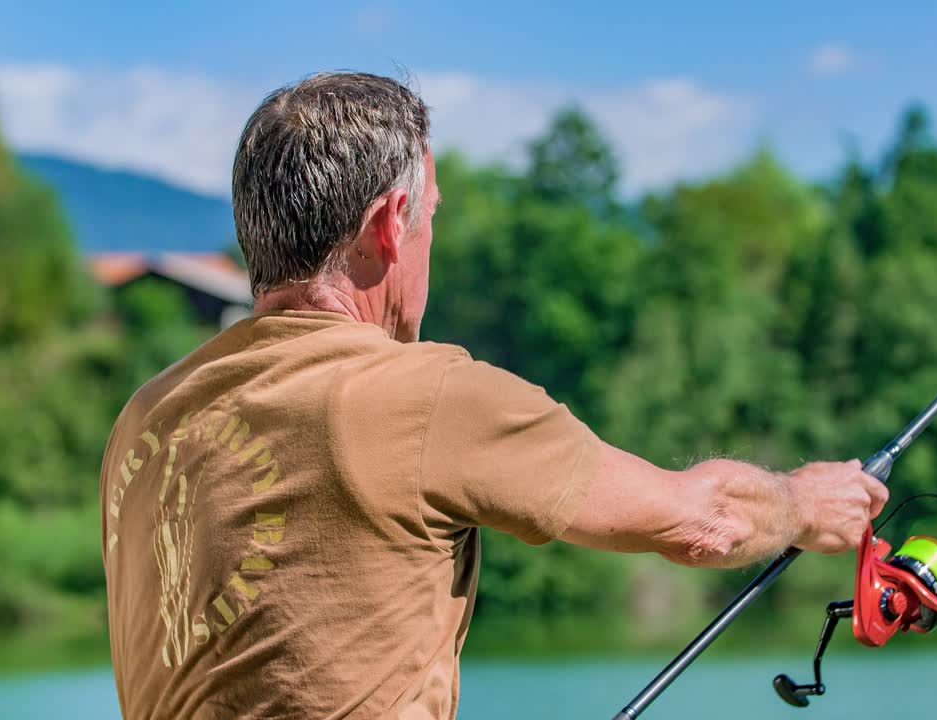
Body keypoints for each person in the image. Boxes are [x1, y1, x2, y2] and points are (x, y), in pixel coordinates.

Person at [99, 71, 888, 720]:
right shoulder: (423, 396)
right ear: (392, 221)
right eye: (431, 217)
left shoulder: (148, 418)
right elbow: (699, 523)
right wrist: (802, 503)